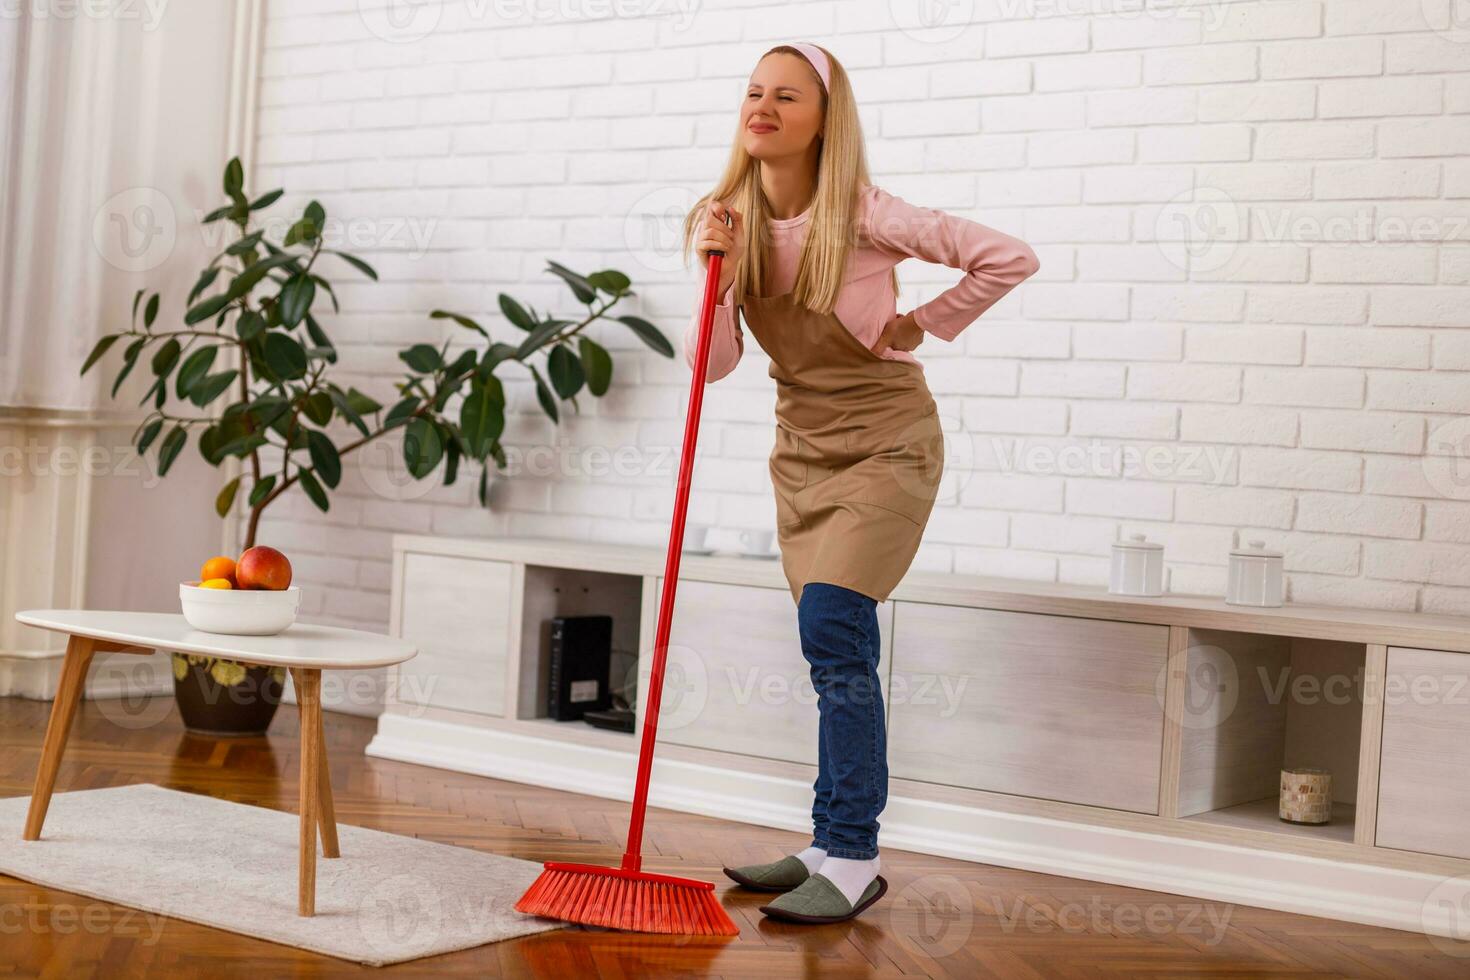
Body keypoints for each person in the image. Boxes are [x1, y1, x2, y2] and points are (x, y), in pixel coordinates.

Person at [682, 41, 1040, 925]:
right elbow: (714, 367)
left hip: (887, 444)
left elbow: (1008, 256)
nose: (762, 106)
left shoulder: (868, 213)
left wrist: (925, 322)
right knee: (826, 644)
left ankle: (852, 852)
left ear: (824, 119)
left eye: (787, 96)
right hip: (803, 450)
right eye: (754, 92)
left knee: (833, 628)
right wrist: (710, 274)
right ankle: (823, 840)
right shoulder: (722, 218)